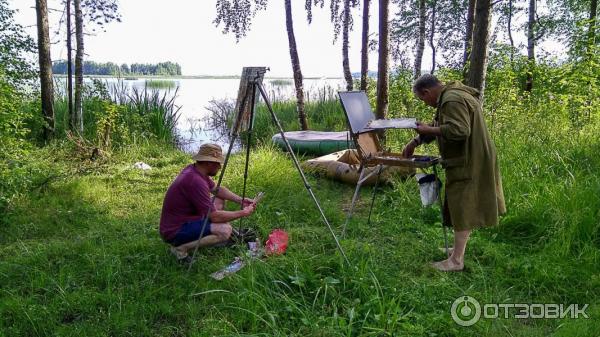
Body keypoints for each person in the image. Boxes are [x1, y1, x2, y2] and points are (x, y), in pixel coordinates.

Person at [402, 74, 506, 272]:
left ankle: (456, 261)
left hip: (470, 159)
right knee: (462, 204)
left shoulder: (451, 100)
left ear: (427, 92)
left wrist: (427, 130)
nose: (425, 104)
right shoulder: (450, 95)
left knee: (464, 205)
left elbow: (459, 130)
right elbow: (439, 124)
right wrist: (416, 141)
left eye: (422, 99)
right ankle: (457, 250)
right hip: (472, 156)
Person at [159, 143, 256, 263]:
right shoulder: (195, 181)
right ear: (208, 163)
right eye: (218, 163)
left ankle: (209, 233)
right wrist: (243, 212)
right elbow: (214, 217)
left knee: (219, 199)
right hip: (175, 231)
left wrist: (240, 200)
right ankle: (181, 249)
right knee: (225, 230)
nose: (220, 167)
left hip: (187, 219)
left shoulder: (195, 170)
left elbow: (217, 190)